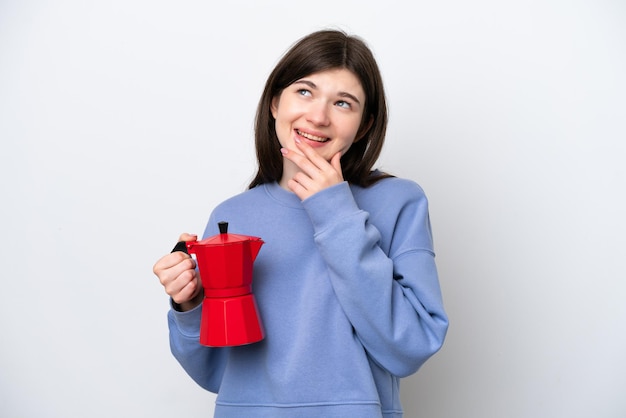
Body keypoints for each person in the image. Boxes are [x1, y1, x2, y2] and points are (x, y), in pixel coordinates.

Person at [153, 29, 448, 418]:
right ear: (275, 102)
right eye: (304, 92)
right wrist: (188, 304)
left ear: (363, 126)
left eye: (343, 103)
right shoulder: (233, 215)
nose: (318, 116)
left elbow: (412, 346)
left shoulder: (400, 202)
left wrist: (335, 211)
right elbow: (215, 372)